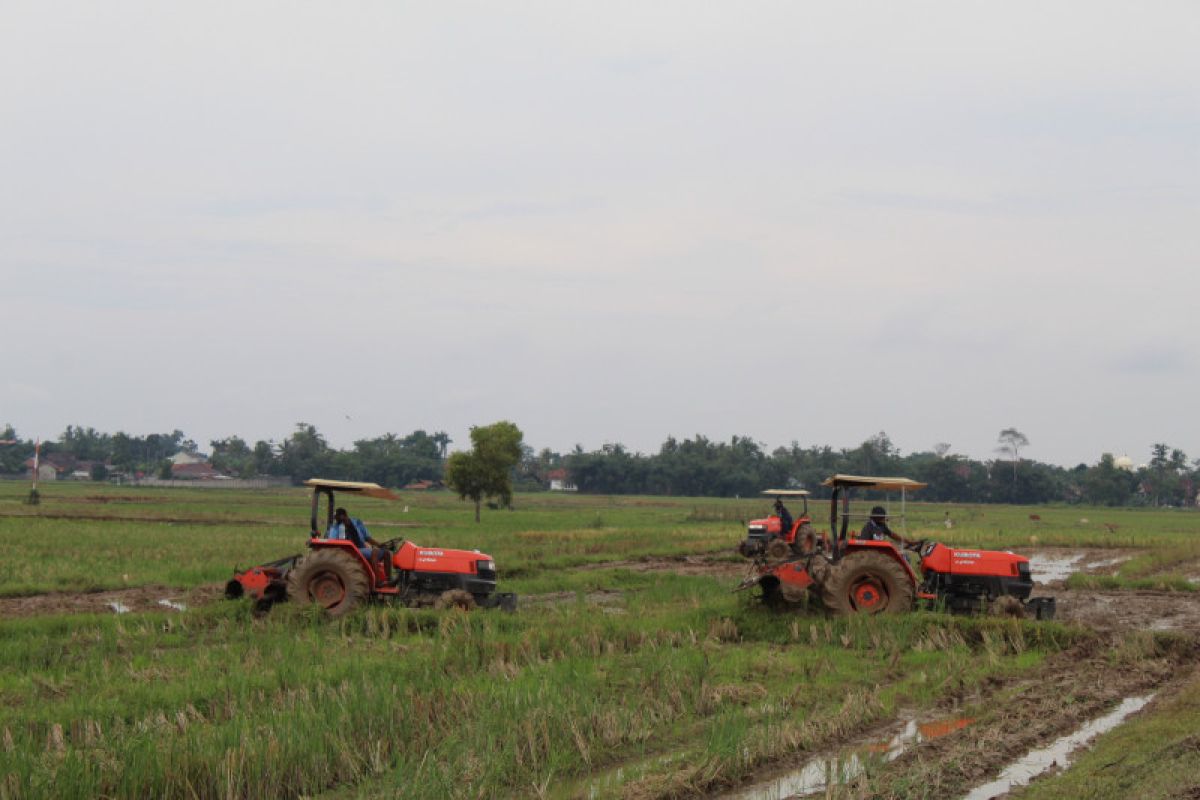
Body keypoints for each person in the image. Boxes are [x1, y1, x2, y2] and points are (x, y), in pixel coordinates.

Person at [329, 507, 392, 583]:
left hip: (361, 549)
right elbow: (332, 542)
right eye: (335, 518)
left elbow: (367, 538)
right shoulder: (336, 528)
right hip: (350, 551)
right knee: (374, 552)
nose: (336, 520)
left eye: (337, 517)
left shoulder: (357, 523)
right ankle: (377, 581)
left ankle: (388, 580)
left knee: (386, 552)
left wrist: (380, 545)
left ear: (343, 516)